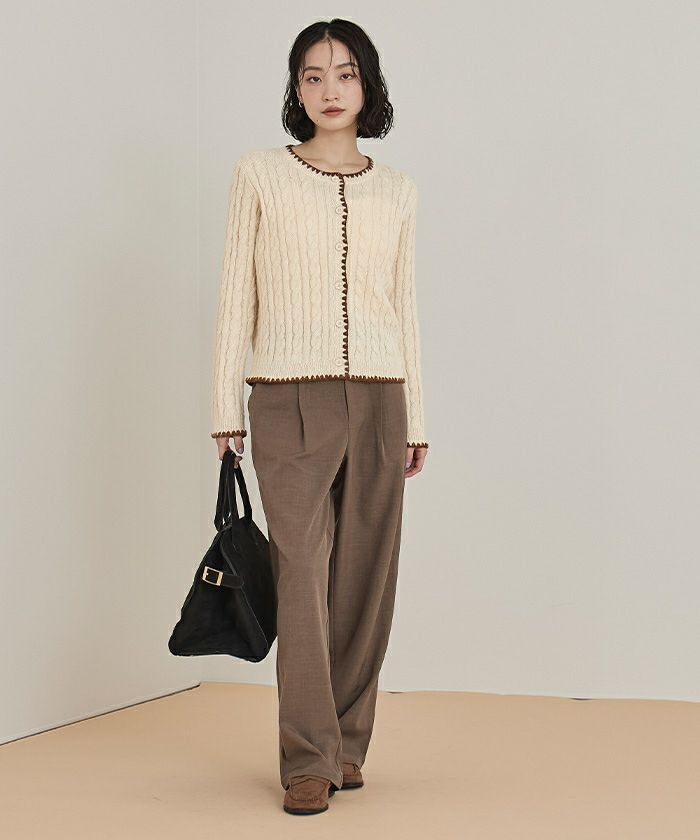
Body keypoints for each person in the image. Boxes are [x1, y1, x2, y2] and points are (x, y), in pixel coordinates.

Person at [210, 18, 429, 816]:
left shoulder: (398, 189)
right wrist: (223, 406)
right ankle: (307, 758)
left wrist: (416, 416)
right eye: (312, 75)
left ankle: (346, 745)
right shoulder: (260, 174)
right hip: (286, 395)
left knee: (366, 577)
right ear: (295, 89)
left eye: (344, 74)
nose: (329, 90)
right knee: (300, 574)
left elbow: (403, 303)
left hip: (380, 395)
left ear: (367, 85)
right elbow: (236, 291)